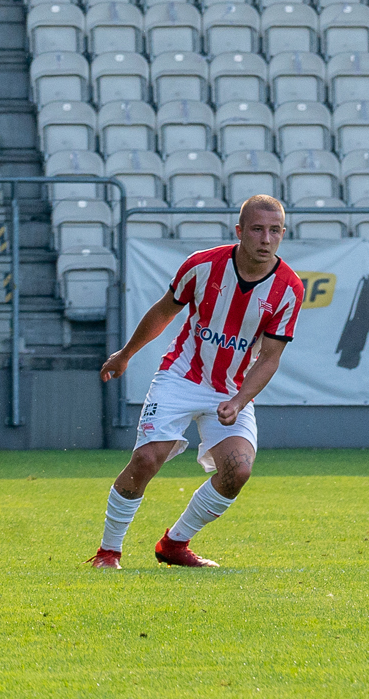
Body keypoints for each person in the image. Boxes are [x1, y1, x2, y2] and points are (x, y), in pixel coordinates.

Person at [89, 195, 304, 569]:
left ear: (283, 234)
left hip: (231, 390)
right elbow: (163, 312)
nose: (266, 239)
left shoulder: (289, 289)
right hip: (181, 377)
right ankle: (109, 552)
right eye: (257, 229)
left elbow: (270, 358)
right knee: (146, 459)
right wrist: (126, 354)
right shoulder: (202, 265)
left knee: (238, 471)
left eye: (274, 231)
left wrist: (239, 399)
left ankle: (174, 545)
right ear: (239, 231)